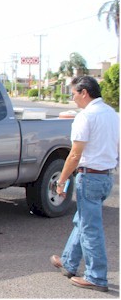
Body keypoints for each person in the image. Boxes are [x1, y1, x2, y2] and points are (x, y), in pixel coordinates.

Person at [50, 76, 119, 293]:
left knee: (90, 228)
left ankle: (97, 277)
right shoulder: (112, 114)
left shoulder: (85, 117)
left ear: (84, 93)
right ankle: (69, 262)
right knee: (83, 221)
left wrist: (61, 181)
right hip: (106, 176)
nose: (73, 98)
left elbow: (74, 155)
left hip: (89, 177)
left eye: (73, 94)